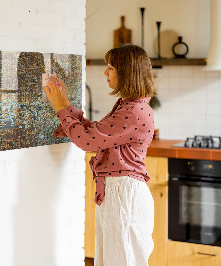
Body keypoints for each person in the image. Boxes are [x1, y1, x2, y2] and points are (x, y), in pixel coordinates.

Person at [44, 44, 156, 266]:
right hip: (119, 193)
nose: (105, 72)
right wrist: (65, 103)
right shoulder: (129, 106)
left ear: (127, 72)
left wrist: (59, 108)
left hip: (124, 195)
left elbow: (87, 141)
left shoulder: (133, 111)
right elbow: (95, 133)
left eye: (111, 67)